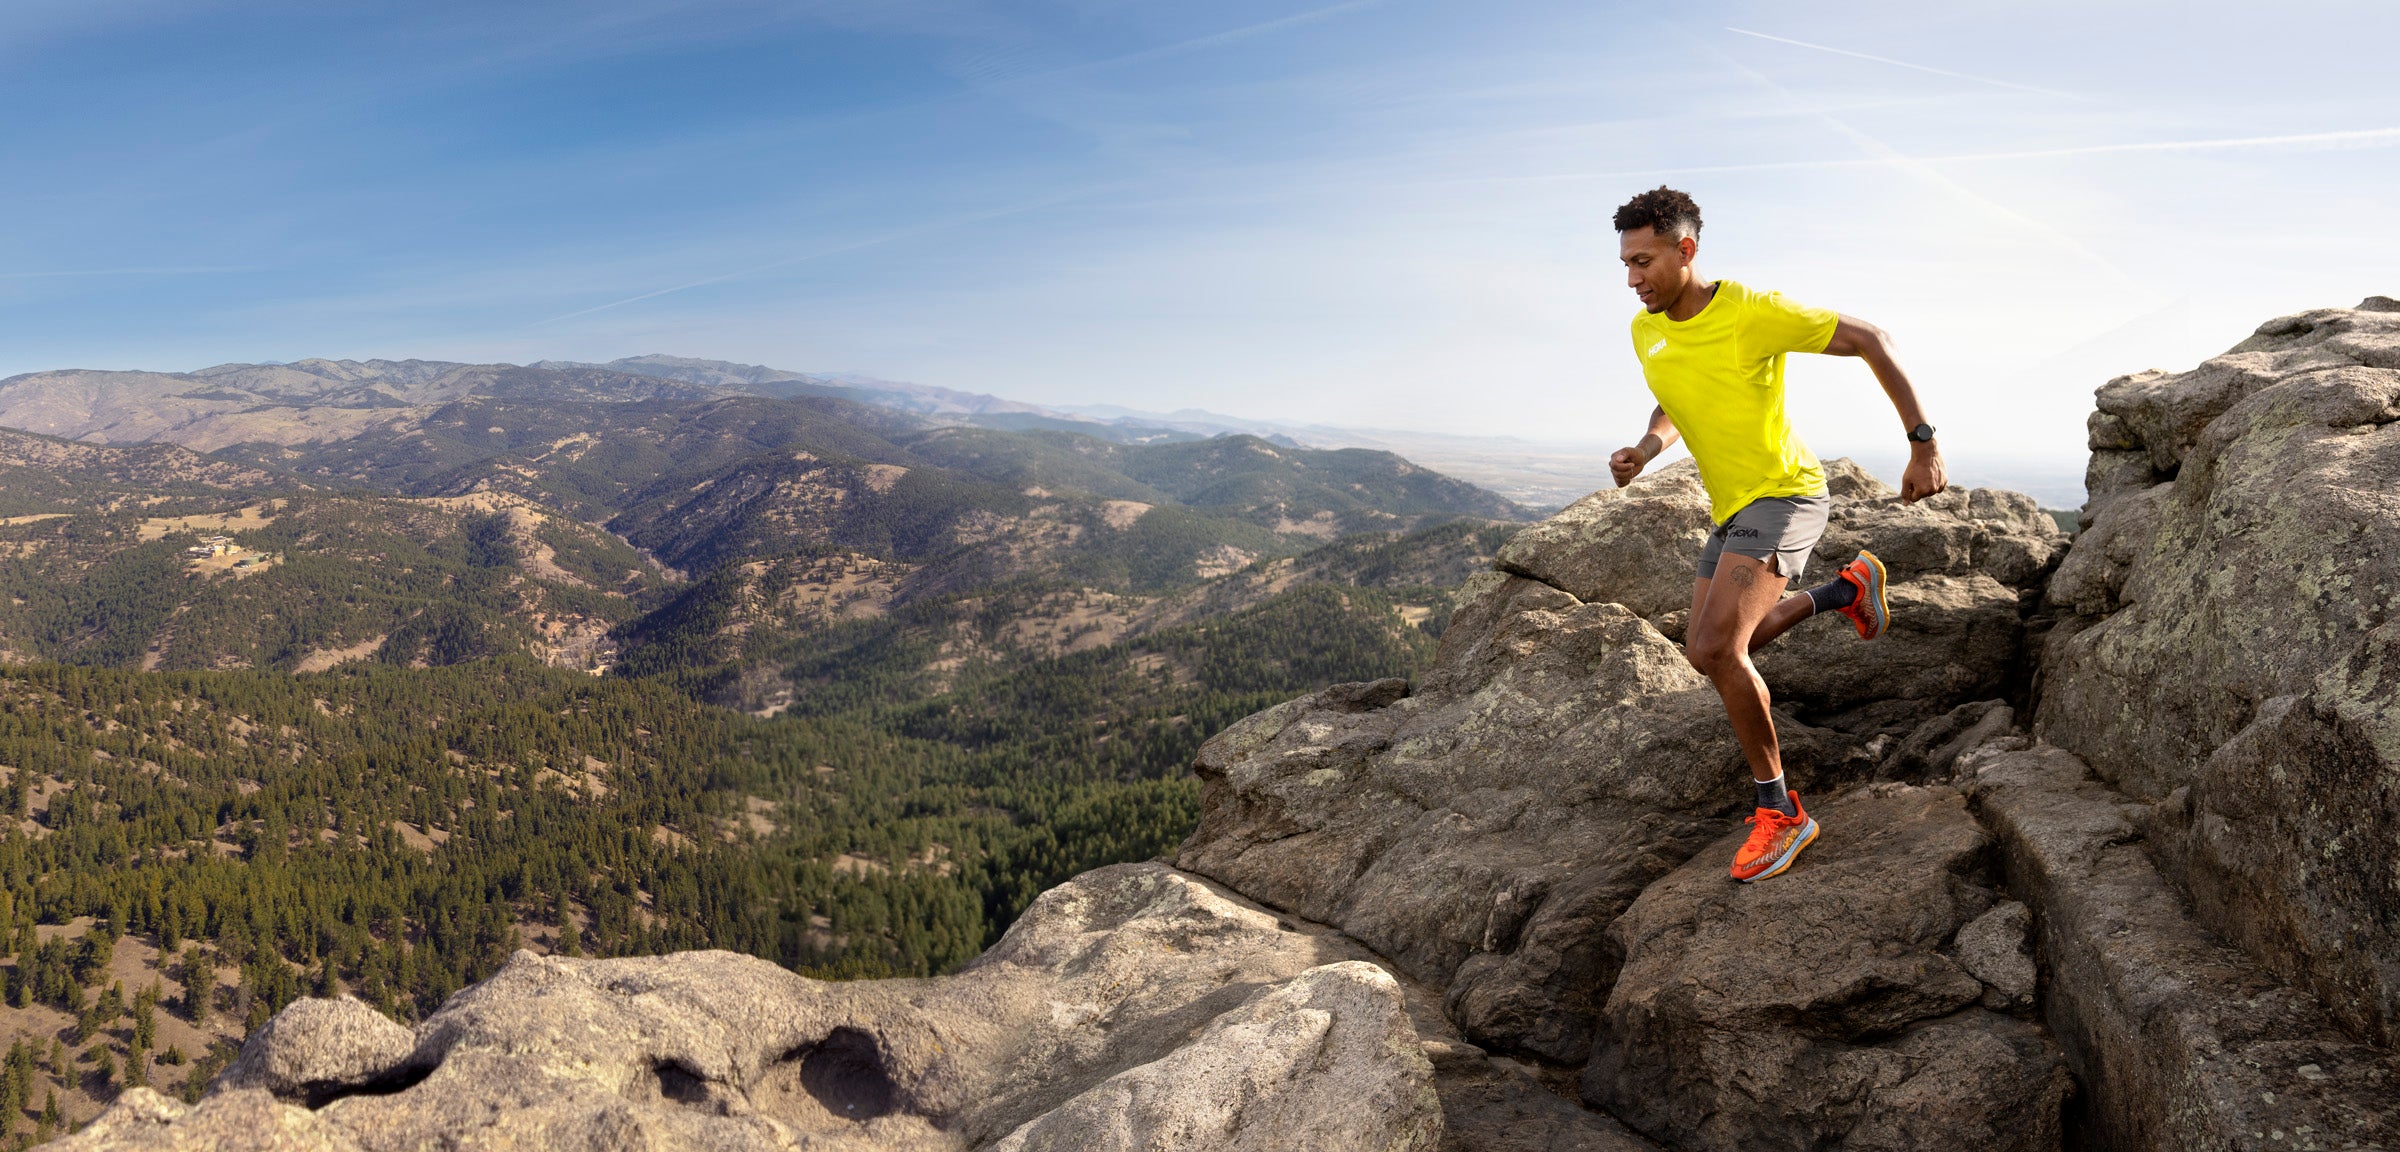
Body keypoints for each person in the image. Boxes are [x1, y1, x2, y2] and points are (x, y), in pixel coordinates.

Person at [1605, 186, 1947, 883]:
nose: (1633, 279)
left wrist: (1922, 443)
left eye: (1643, 262)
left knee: (1715, 648)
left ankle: (1782, 812)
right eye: (1626, 265)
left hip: (1785, 495)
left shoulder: (1752, 312)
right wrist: (1645, 448)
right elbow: (1675, 392)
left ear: (1685, 250)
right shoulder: (1648, 329)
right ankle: (1846, 592)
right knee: (1714, 651)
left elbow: (1871, 339)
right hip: (1733, 509)